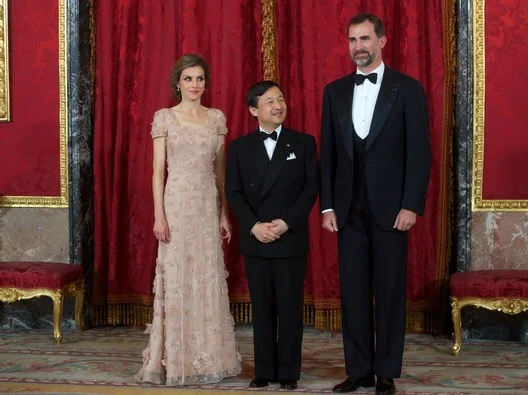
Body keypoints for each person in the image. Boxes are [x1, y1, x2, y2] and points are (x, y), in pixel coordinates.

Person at [320, 13, 432, 395]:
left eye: (365, 39)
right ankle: (359, 370)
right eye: (352, 40)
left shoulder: (408, 89)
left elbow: (420, 153)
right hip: (347, 208)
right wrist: (327, 206)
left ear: (382, 41)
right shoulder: (333, 91)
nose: (359, 47)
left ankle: (386, 371)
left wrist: (411, 205)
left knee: (388, 291)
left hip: (392, 209)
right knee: (352, 291)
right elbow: (329, 156)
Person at [136, 54, 241, 385]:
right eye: (189, 79)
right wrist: (159, 216)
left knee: (206, 277)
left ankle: (209, 357)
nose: (195, 85)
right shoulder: (165, 118)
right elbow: (157, 171)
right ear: (177, 83)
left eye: (200, 79)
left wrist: (224, 213)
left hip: (206, 206)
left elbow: (221, 173)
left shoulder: (216, 119)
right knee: (178, 277)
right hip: (177, 205)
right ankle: (174, 358)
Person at [225, 81, 318, 391]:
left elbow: (310, 188)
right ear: (254, 110)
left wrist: (286, 221)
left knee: (290, 308)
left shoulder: (303, 143)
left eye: (281, 99)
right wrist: (253, 225)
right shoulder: (239, 147)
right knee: (262, 309)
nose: (278, 106)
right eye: (269, 102)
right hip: (256, 239)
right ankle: (264, 370)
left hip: (289, 238)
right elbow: (234, 192)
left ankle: (289, 371)